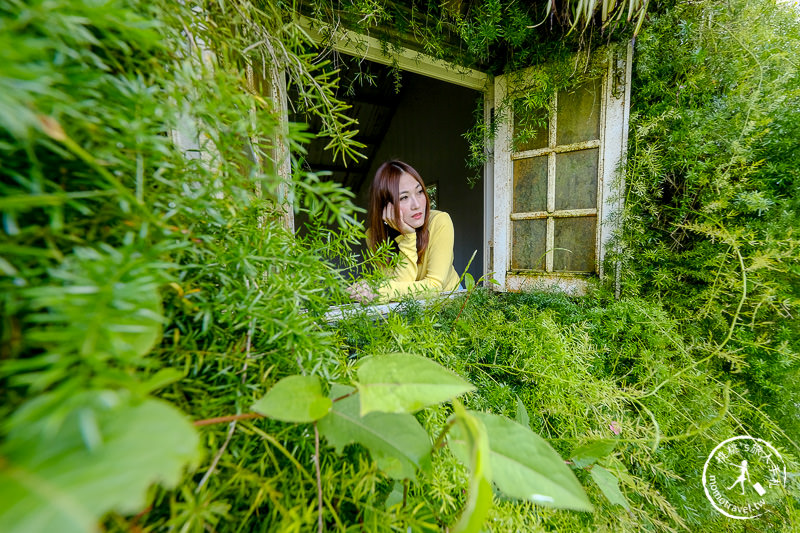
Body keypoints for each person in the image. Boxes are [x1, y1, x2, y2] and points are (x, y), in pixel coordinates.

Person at [347, 160, 460, 303]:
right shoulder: (374, 236)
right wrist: (408, 237)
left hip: (450, 301)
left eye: (419, 192)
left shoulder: (439, 222)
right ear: (385, 206)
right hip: (411, 306)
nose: (417, 204)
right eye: (404, 197)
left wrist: (379, 291)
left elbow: (434, 287)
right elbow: (396, 292)